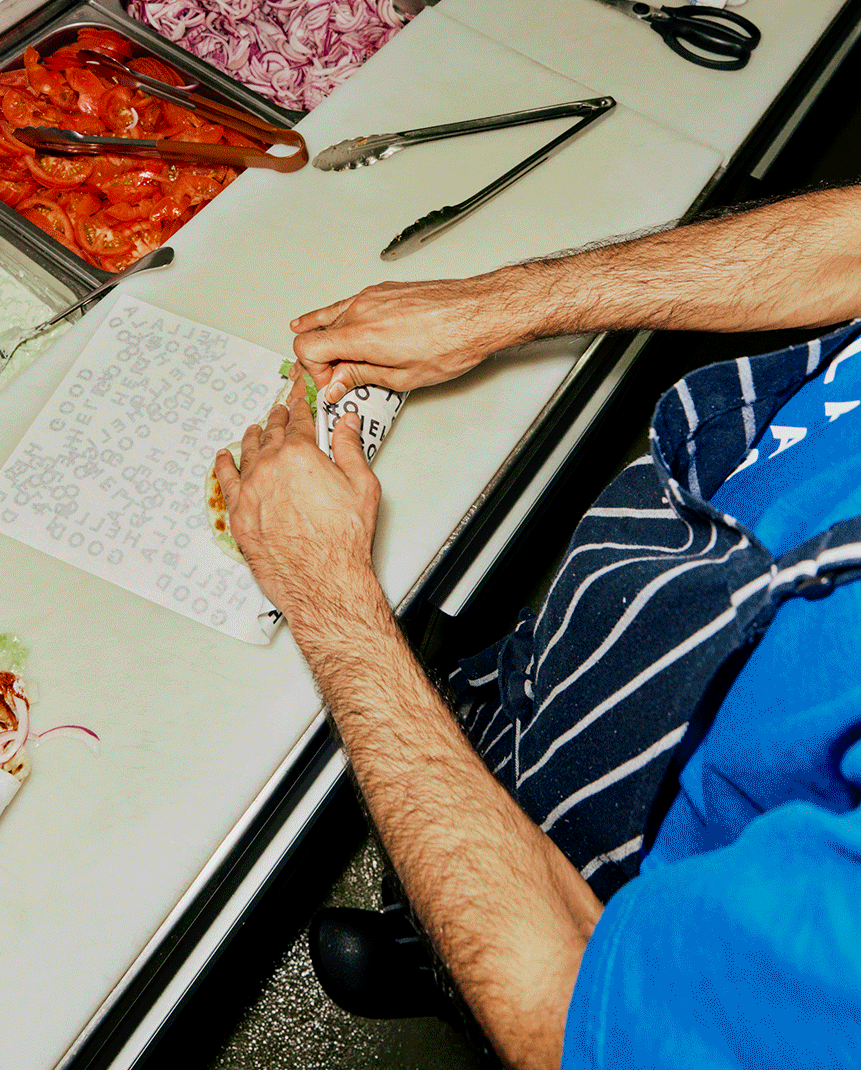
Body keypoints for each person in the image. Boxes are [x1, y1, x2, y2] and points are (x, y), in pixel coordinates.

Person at [213, 184, 861, 1070]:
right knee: (516, 737)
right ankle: (443, 919)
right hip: (657, 603)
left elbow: (567, 1007)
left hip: (652, 877)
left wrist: (328, 592)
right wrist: (502, 304)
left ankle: (465, 954)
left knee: (529, 936)